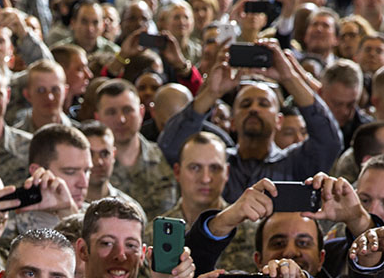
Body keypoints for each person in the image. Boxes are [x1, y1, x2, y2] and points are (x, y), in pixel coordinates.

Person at [159, 40, 342, 200]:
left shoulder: (296, 163)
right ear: (232, 121)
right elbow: (171, 147)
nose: (254, 109)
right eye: (245, 104)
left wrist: (289, 78)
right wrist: (211, 93)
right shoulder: (218, 164)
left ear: (279, 121)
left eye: (263, 104)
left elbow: (329, 141)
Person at [93, 79, 176, 218]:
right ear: (97, 117)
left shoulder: (166, 157)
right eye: (111, 112)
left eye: (127, 110)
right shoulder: (91, 166)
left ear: (142, 112)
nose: (121, 119)